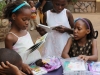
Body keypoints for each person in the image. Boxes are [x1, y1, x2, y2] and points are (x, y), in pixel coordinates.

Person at [3, 0, 41, 74]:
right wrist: (22, 65)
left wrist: (36, 43)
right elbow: (10, 59)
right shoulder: (10, 37)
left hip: (35, 64)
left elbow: (26, 47)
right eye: (24, 19)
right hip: (22, 69)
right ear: (14, 16)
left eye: (28, 20)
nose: (27, 23)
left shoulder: (26, 30)